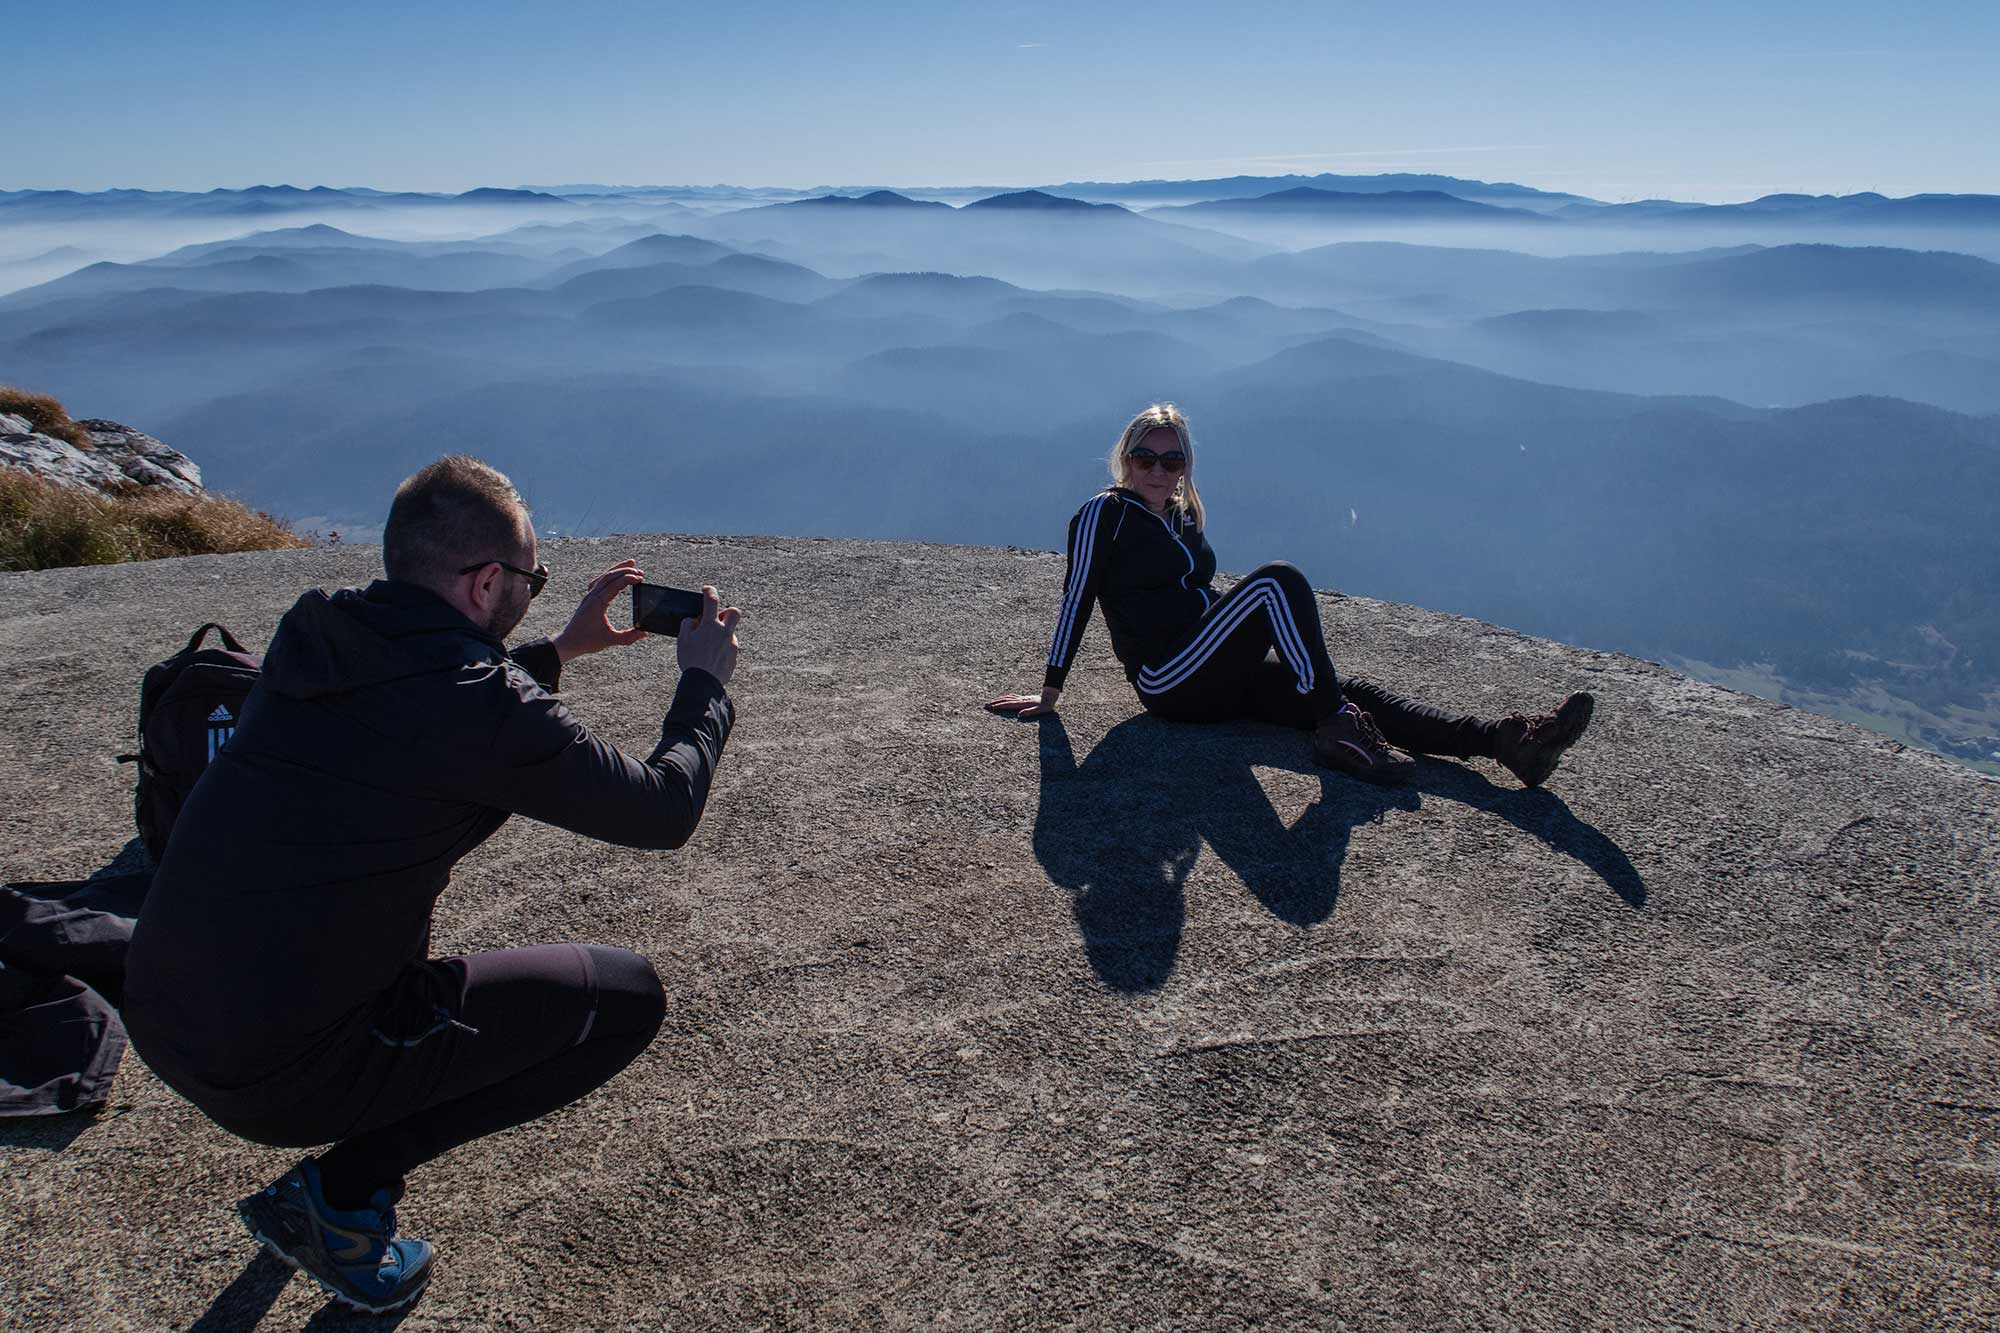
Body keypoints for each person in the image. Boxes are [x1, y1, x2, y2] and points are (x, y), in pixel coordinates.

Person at [122, 456, 742, 1314]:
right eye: (532, 577)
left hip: (161, 1011)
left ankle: (337, 1181)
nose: (533, 588)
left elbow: (424, 715)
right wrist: (704, 683)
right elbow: (663, 809)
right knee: (624, 1000)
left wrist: (560, 647)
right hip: (276, 1071)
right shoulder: (474, 701)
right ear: (487, 581)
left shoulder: (318, 637)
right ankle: (341, 1200)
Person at [987, 404, 1593, 786]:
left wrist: (1239, 629)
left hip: (1213, 670)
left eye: (1172, 460)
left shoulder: (1181, 515)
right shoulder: (1105, 515)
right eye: (1145, 456)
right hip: (1167, 678)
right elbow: (1077, 598)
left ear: (1185, 467)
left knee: (1352, 691)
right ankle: (1337, 730)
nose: (1158, 468)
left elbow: (1200, 594)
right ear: (1124, 458)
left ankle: (1505, 743)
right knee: (1280, 580)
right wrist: (1049, 692)